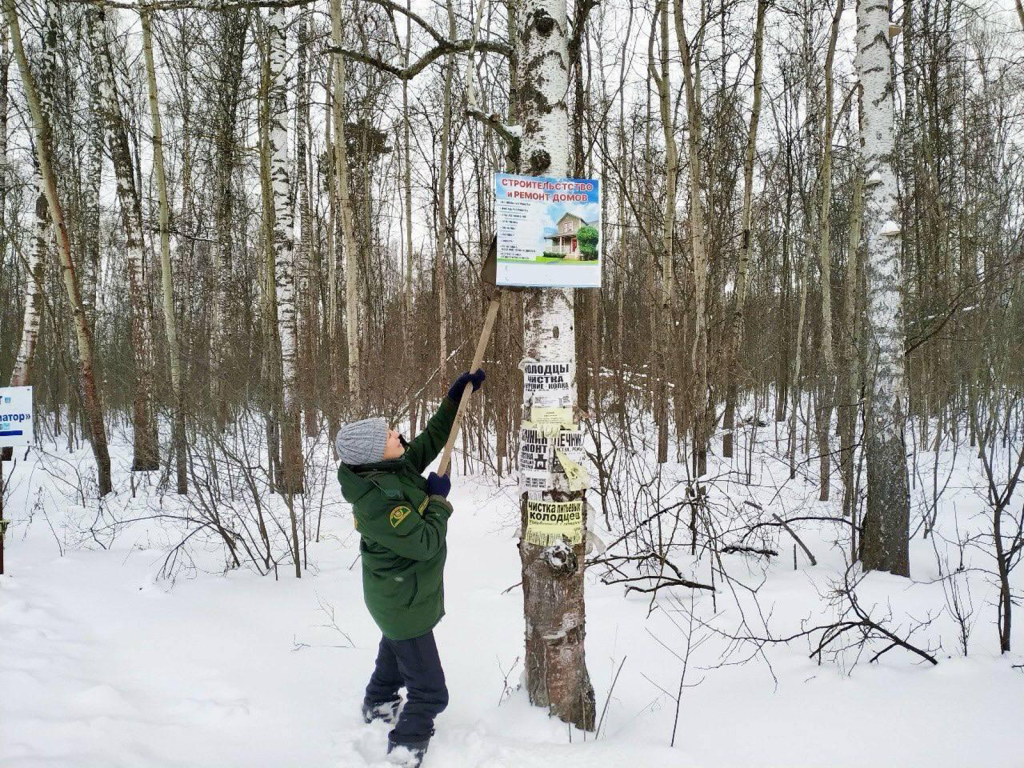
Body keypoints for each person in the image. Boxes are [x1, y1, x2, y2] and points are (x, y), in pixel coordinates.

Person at [335, 369, 485, 767]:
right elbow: (424, 542)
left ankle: (379, 703)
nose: (398, 436)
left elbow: (431, 440)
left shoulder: (391, 469)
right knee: (431, 691)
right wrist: (437, 502)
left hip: (398, 597)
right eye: (388, 436)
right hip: (404, 600)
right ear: (372, 454)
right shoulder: (377, 502)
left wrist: (454, 401)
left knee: (395, 650)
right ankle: (405, 749)